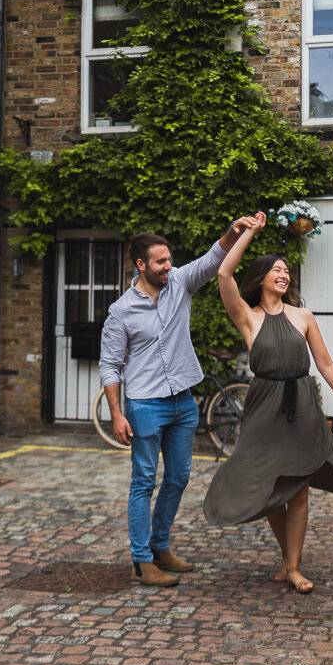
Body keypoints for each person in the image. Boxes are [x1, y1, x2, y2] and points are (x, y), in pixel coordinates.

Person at [203, 211, 333, 593]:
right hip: (265, 406)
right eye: (276, 269)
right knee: (270, 488)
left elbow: (325, 363)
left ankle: (293, 566)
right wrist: (248, 232)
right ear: (261, 278)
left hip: (302, 404)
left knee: (299, 487)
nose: (284, 274)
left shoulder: (303, 316)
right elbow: (224, 275)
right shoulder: (248, 317)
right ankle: (286, 557)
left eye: (287, 270)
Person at [100, 218, 259, 588]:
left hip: (183, 401)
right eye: (160, 262)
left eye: (169, 259)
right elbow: (109, 365)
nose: (168, 266)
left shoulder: (180, 284)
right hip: (145, 405)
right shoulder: (121, 311)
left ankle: (160, 547)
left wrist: (234, 232)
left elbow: (212, 258)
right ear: (141, 264)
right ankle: (141, 562)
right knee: (143, 482)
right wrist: (117, 414)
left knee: (178, 477)